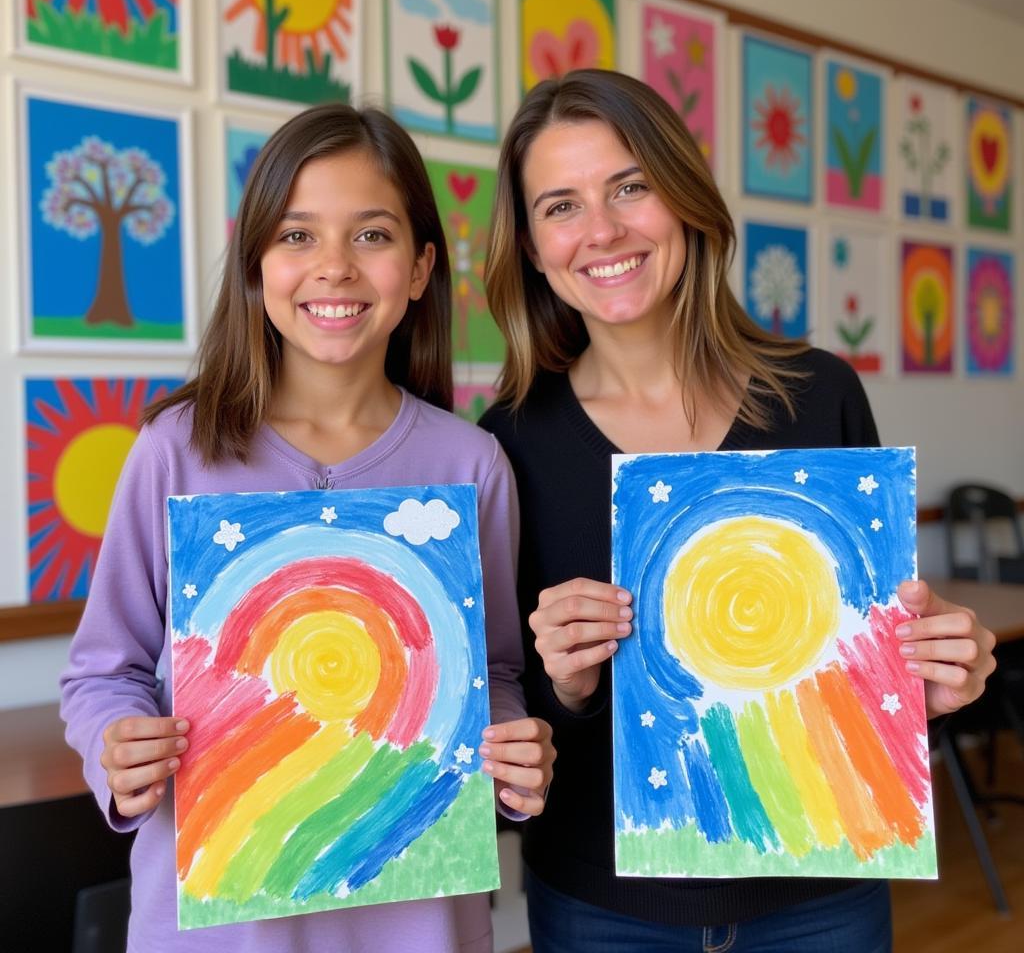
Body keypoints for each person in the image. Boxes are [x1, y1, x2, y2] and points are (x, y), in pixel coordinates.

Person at [479, 69, 997, 953]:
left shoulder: (820, 395)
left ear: (684, 199)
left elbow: (866, 665)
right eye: (560, 206)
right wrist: (564, 684)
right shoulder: (506, 442)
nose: (601, 231)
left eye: (630, 187)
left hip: (820, 890)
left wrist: (938, 679)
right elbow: (507, 710)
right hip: (603, 907)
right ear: (530, 246)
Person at [60, 103, 555, 953]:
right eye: (296, 236)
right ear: (256, 264)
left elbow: (495, 673)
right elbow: (103, 671)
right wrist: (116, 744)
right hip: (219, 928)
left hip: (417, 923)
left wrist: (511, 750)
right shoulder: (174, 451)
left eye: (372, 236)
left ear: (421, 266)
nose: (334, 267)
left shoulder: (473, 465)